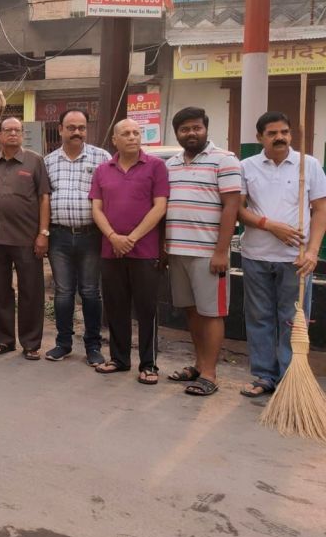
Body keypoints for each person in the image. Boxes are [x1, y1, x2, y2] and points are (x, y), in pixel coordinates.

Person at [236, 111, 326, 398]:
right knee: (259, 317)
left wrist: (312, 251)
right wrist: (269, 225)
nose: (280, 138)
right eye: (272, 133)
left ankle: (290, 378)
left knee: (293, 320)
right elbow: (238, 210)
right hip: (256, 255)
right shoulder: (246, 166)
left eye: (284, 132)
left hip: (296, 259)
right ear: (260, 137)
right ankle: (264, 375)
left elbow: (321, 210)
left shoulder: (308, 165)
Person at [164, 107, 242, 396]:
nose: (191, 133)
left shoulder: (225, 159)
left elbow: (231, 207)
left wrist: (221, 251)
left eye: (196, 127)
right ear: (177, 133)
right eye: (184, 129)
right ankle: (198, 365)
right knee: (192, 311)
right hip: (177, 251)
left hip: (208, 253)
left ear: (206, 129)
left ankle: (210, 374)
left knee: (211, 313)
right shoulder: (170, 164)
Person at [89, 118, 169, 384]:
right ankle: (119, 359)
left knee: (147, 309)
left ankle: (149, 364)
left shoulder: (155, 166)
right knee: (115, 306)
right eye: (126, 133)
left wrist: (131, 238)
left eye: (136, 132)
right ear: (115, 140)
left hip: (144, 250)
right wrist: (113, 237)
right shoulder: (103, 170)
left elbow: (160, 207)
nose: (132, 137)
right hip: (111, 250)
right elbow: (96, 208)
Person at [42, 109, 111, 365]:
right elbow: (43, 200)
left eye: (81, 127)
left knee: (91, 292)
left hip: (91, 235)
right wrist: (43, 233)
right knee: (63, 292)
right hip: (58, 237)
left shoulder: (102, 158)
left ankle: (93, 346)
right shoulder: (48, 161)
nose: (77, 132)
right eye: (71, 127)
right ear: (60, 129)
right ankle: (63, 343)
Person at [0, 117, 51, 359]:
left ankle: (31, 343)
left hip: (27, 238)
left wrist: (43, 233)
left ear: (22, 135)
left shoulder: (35, 161)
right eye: (7, 130)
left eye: (17, 130)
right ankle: (3, 340)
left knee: (31, 291)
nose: (12, 134)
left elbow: (44, 198)